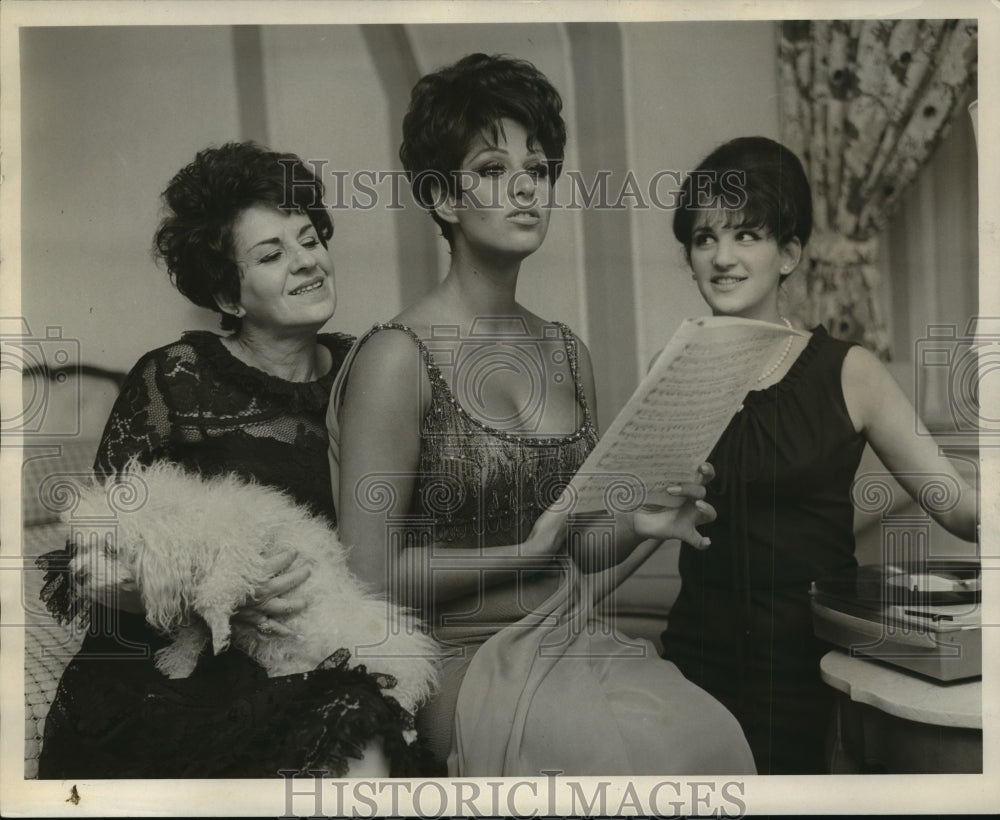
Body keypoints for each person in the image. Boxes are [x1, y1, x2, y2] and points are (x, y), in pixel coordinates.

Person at [328, 53, 756, 777]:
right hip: (454, 663)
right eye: (493, 170)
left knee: (713, 738)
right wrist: (523, 555)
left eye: (539, 168)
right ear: (441, 197)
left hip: (571, 638)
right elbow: (366, 578)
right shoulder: (395, 359)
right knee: (630, 760)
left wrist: (641, 518)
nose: (525, 188)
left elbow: (581, 545)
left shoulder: (566, 351)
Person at [37, 141, 431, 778]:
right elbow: (89, 562)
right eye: (272, 254)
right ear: (229, 294)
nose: (307, 263)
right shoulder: (172, 380)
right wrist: (212, 593)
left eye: (310, 240)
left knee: (358, 732)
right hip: (177, 672)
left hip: (315, 649)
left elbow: (407, 532)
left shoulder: (372, 371)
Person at [658, 135, 979, 774]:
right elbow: (634, 527)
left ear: (790, 254)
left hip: (812, 664)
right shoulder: (670, 373)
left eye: (746, 235)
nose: (722, 258)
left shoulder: (850, 371)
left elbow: (959, 509)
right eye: (704, 239)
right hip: (697, 663)